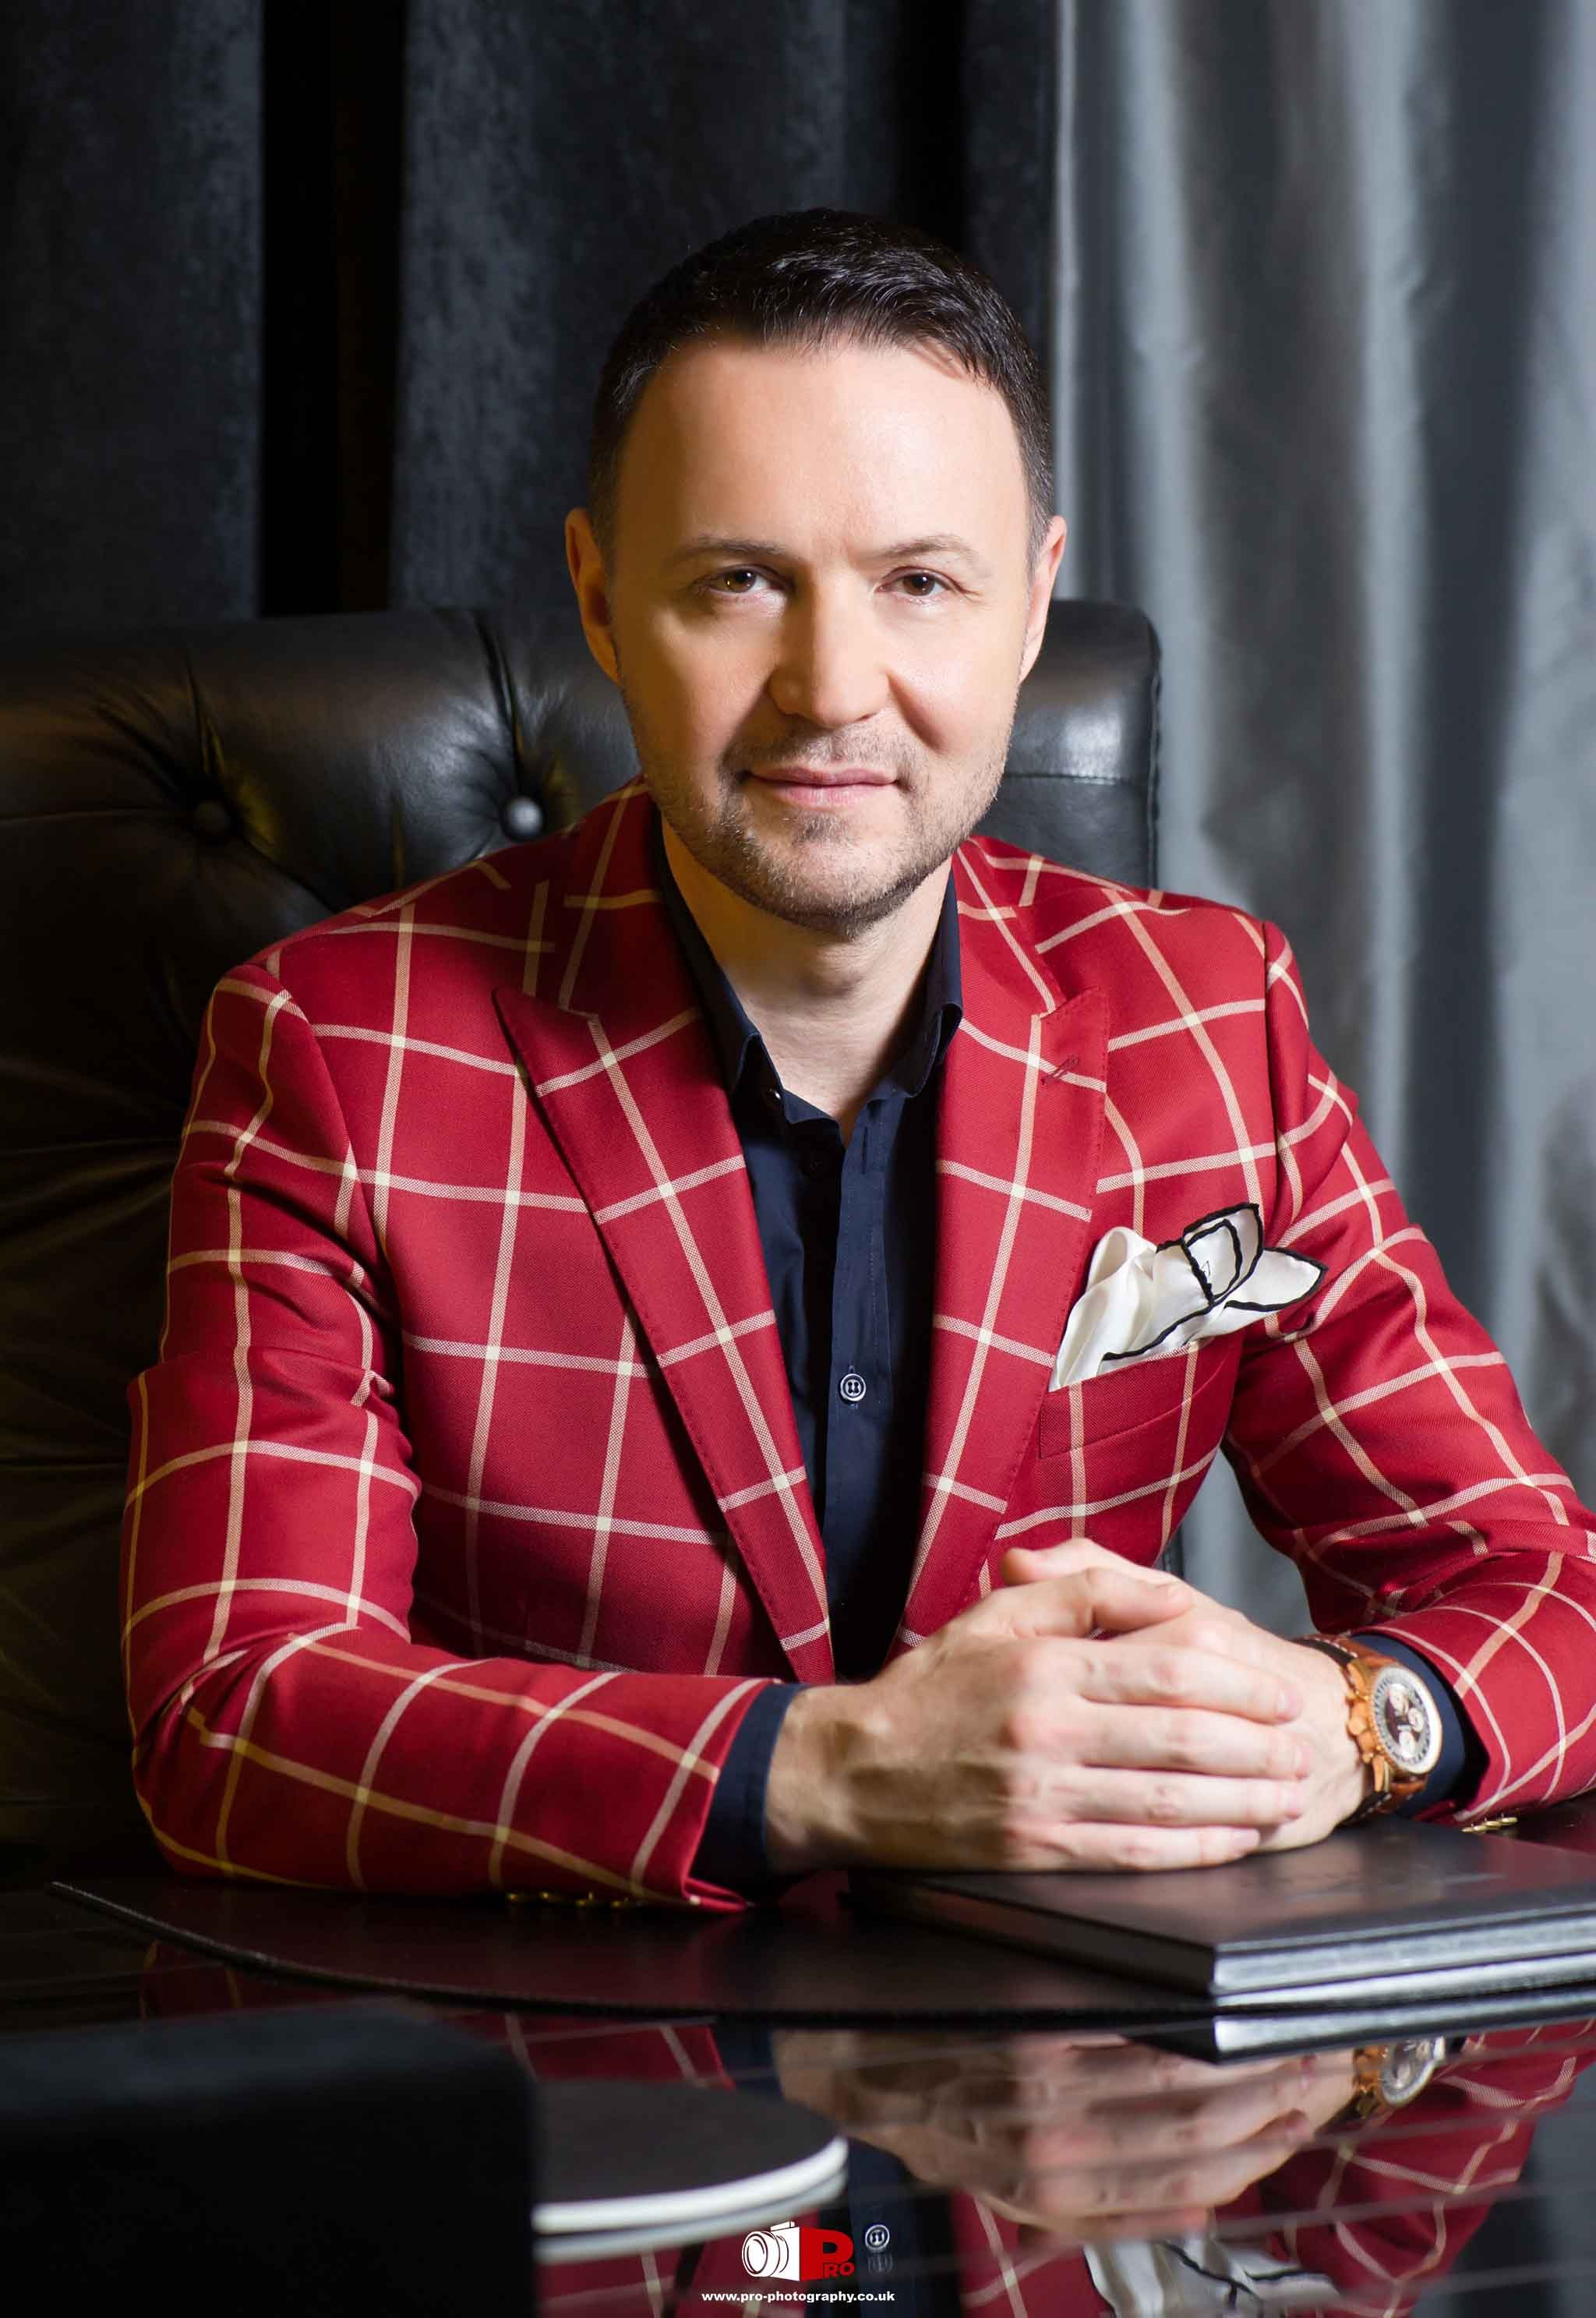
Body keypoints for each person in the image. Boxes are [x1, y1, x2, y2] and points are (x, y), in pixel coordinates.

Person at [121, 210, 1596, 1901]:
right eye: (738, 581)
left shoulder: (1211, 1015)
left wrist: (1353, 1723)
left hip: (1075, 2103)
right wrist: (824, 1768)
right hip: (584, 2087)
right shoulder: (338, 1047)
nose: (833, 687)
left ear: (1031, 607)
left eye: (920, 583)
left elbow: (1543, 1580)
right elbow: (232, 1717)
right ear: (602, 600)